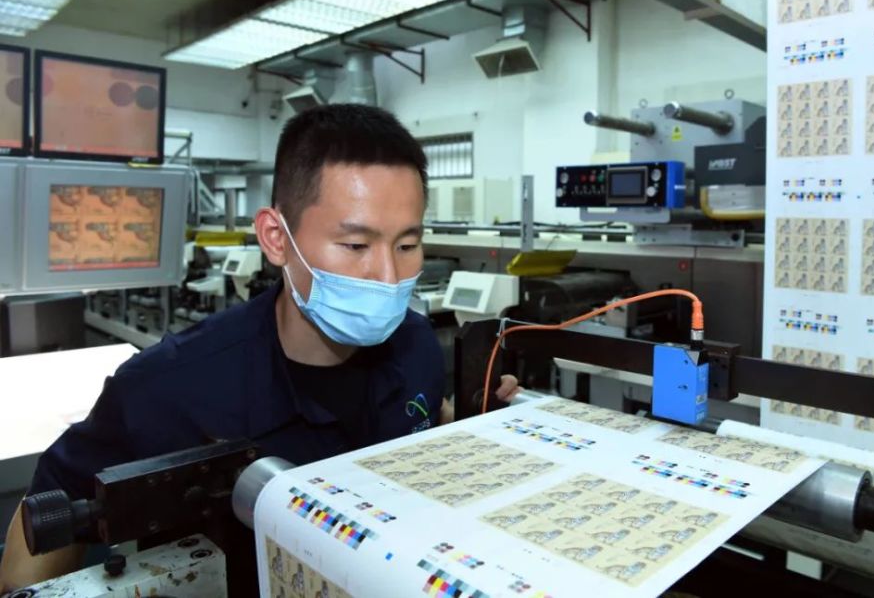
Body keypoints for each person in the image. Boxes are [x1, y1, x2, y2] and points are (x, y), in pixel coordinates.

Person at [0, 105, 519, 589]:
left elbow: (427, 415)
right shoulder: (167, 388)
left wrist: (479, 422)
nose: (387, 275)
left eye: (407, 245)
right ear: (276, 238)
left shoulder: (415, 343)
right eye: (356, 245)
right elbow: (46, 515)